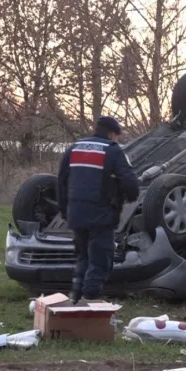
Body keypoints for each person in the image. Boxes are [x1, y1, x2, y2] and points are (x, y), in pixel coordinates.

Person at [57, 116, 140, 304]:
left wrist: (64, 210)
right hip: (101, 216)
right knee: (100, 259)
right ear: (112, 134)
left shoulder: (74, 148)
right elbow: (130, 182)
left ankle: (75, 298)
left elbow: (61, 182)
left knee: (83, 257)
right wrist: (131, 197)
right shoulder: (113, 151)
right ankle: (89, 299)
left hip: (76, 214)